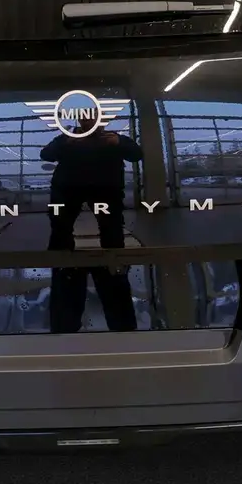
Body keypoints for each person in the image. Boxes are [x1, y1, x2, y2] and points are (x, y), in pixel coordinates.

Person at [39, 113, 144, 333]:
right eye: (85, 120)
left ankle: (111, 259)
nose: (88, 123)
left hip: (100, 188)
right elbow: (46, 154)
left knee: (110, 226)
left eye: (93, 120)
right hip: (76, 189)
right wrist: (68, 143)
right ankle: (63, 259)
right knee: (62, 225)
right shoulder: (69, 138)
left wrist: (119, 142)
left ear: (100, 122)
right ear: (80, 122)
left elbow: (137, 154)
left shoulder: (111, 138)